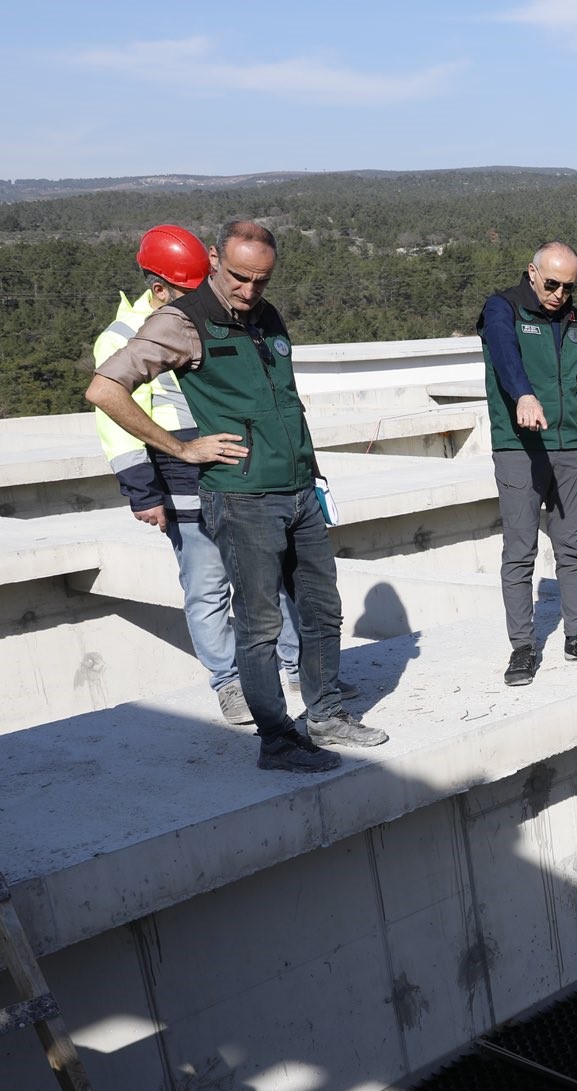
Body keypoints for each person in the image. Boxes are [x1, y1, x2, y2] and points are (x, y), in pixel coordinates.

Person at [86, 218, 386, 772]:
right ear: (215, 260)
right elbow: (104, 388)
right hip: (243, 498)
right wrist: (181, 450)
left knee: (321, 612)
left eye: (262, 280)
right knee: (259, 625)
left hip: (298, 490)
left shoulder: (266, 316)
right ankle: (276, 740)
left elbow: (287, 400)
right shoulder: (182, 321)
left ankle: (324, 713)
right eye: (240, 277)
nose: (249, 291)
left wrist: (313, 474)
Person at [92, 224, 310, 726]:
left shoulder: (220, 318)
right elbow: (116, 422)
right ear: (158, 288)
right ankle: (228, 683)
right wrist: (143, 492)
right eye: (187, 293)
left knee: (270, 575)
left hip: (235, 467)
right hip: (179, 473)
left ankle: (296, 668)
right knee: (208, 584)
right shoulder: (122, 339)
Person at [479, 241, 577, 686]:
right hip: (520, 446)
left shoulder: (572, 318)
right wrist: (523, 394)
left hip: (568, 445)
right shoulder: (503, 309)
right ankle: (522, 647)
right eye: (552, 284)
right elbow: (504, 357)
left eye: (569, 286)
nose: (559, 294)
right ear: (533, 273)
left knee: (572, 547)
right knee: (520, 552)